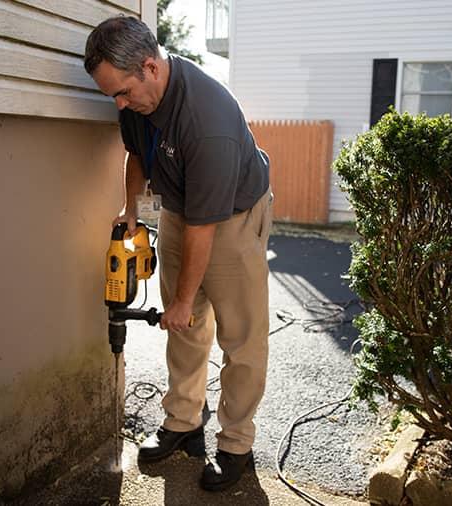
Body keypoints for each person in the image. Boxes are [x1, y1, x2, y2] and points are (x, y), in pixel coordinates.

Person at [85, 16, 273, 492]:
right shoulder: (134, 96)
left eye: (124, 93)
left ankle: (236, 445)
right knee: (182, 327)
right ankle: (184, 421)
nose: (120, 104)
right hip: (180, 209)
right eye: (113, 97)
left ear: (151, 67)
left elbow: (205, 226)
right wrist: (130, 210)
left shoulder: (206, 119)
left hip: (230, 216)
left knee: (241, 339)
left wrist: (186, 301)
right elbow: (136, 153)